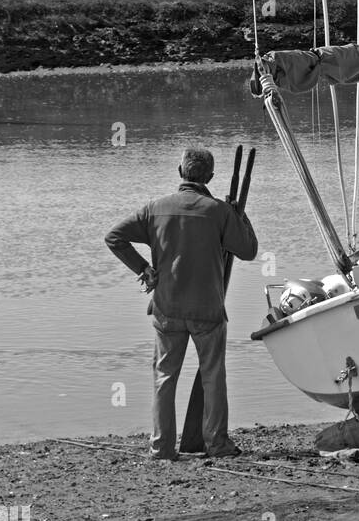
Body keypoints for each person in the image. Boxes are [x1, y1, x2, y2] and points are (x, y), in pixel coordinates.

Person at [105, 147, 258, 461]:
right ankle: (217, 444)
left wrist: (143, 270)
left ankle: (161, 447)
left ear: (179, 171)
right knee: (212, 375)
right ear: (211, 177)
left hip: (167, 309)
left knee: (164, 377)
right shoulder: (219, 212)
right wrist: (240, 215)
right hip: (208, 311)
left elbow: (114, 237)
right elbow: (249, 251)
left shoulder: (156, 208)